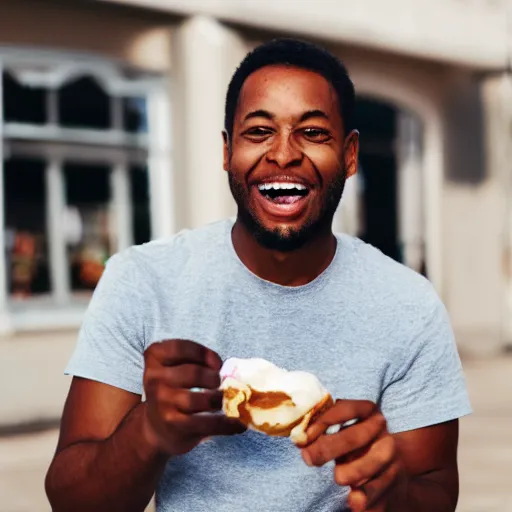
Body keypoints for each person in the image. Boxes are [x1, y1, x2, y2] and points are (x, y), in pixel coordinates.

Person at [45, 38, 471, 512]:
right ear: (227, 151)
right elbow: (71, 499)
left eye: (312, 132)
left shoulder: (407, 305)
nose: (284, 154)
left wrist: (394, 494)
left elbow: (436, 490)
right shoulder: (144, 282)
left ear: (350, 156)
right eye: (259, 131)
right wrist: (147, 431)